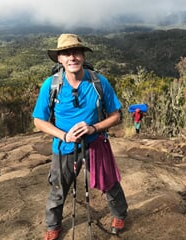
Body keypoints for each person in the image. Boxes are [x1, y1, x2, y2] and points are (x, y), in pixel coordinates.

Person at [32, 33, 128, 240]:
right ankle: (53, 226)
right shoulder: (51, 85)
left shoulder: (98, 82)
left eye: (76, 52)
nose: (72, 57)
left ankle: (119, 215)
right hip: (64, 147)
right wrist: (64, 136)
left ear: (83, 56)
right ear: (59, 58)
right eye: (66, 53)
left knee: (109, 183)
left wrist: (93, 128)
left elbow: (116, 116)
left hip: (95, 143)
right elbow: (39, 120)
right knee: (58, 189)